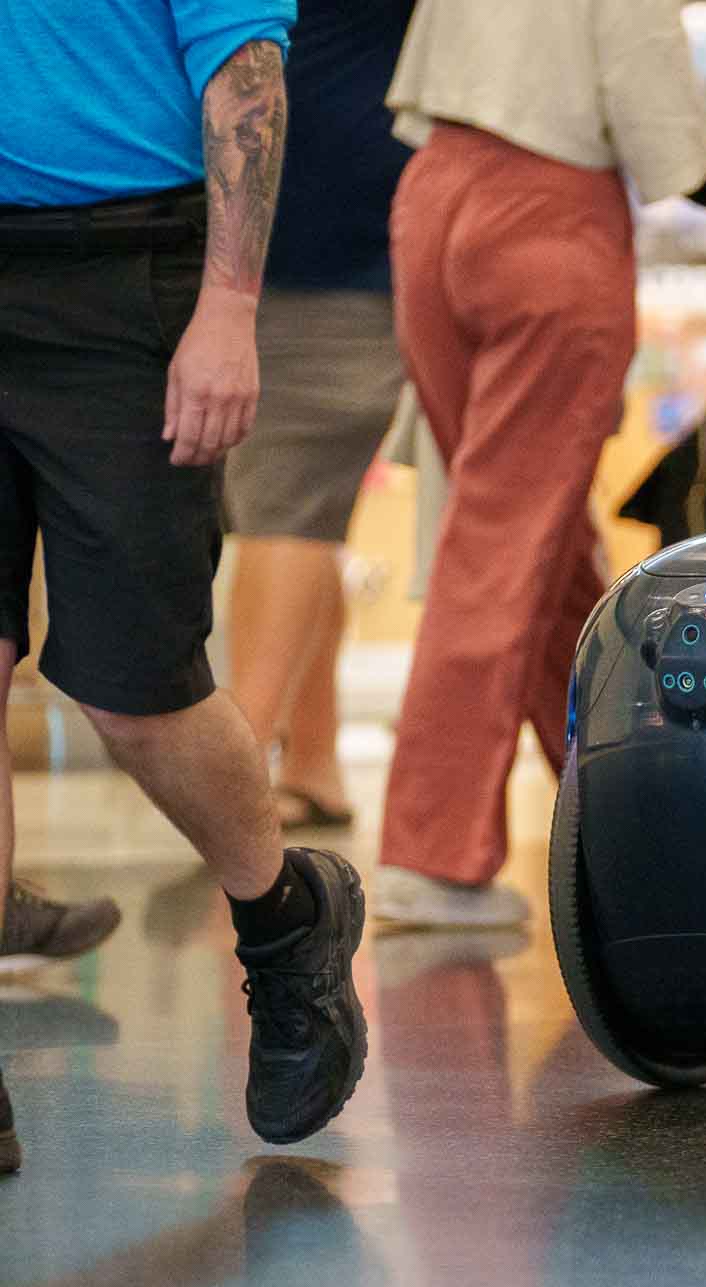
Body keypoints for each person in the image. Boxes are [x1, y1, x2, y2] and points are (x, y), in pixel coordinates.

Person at [1, 0, 369, 1170]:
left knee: (136, 697)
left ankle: (283, 919)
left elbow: (247, 77)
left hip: (126, 281)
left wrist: (229, 306)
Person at [375, 0, 706, 926]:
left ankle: (625, 812)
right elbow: (667, 133)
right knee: (503, 540)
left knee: (539, 541)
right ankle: (434, 853)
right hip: (548, 220)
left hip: (430, 200)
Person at [224, 0, 416, 834]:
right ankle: (312, 757)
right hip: (308, 245)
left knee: (288, 509)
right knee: (304, 509)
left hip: (331, 252)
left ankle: (230, 781)